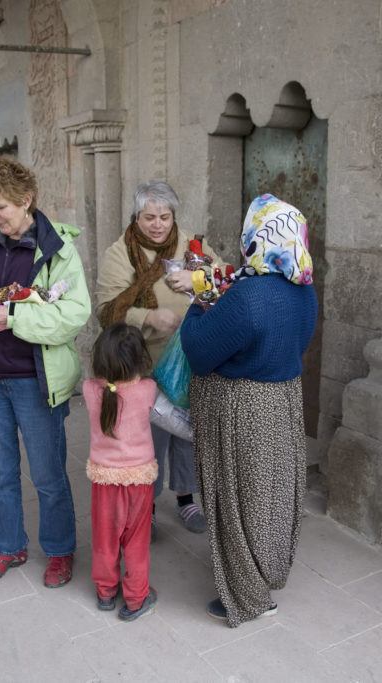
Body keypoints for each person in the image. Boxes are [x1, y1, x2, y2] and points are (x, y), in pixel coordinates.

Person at [0, 156, 91, 588]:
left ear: (25, 201)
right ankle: (9, 547)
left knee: (48, 474)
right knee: (1, 473)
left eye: (1, 208)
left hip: (34, 381)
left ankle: (60, 550)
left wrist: (15, 320)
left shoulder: (58, 251)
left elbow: (74, 314)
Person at [180, 193, 317, 627]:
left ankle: (248, 596)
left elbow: (198, 350)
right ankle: (268, 570)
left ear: (256, 236)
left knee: (235, 500)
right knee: (271, 496)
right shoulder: (304, 290)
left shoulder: (249, 296)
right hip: (282, 403)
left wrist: (197, 304)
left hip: (242, 407)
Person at [95, 181, 219, 537]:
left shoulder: (192, 244)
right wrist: (148, 318)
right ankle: (145, 504)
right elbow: (106, 311)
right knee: (149, 437)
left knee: (186, 432)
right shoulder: (120, 253)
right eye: (149, 217)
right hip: (144, 363)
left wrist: (197, 278)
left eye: (165, 216)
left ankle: (185, 497)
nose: (158, 224)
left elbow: (222, 276)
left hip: (189, 357)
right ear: (137, 217)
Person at [83, 323, 159, 621]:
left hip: (104, 480)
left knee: (105, 539)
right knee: (136, 541)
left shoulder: (90, 391)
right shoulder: (148, 390)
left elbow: (107, 386)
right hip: (139, 480)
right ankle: (136, 599)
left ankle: (105, 592)